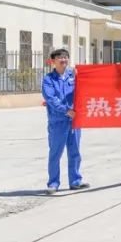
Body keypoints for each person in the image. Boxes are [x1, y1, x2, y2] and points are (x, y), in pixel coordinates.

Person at [42, 48, 86, 192]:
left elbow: (84, 91)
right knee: (55, 153)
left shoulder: (74, 77)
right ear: (53, 61)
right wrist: (66, 110)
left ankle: (75, 181)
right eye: (60, 57)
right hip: (58, 122)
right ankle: (53, 183)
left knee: (75, 152)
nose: (63, 60)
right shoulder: (48, 79)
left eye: (66, 57)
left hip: (74, 121)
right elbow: (51, 99)